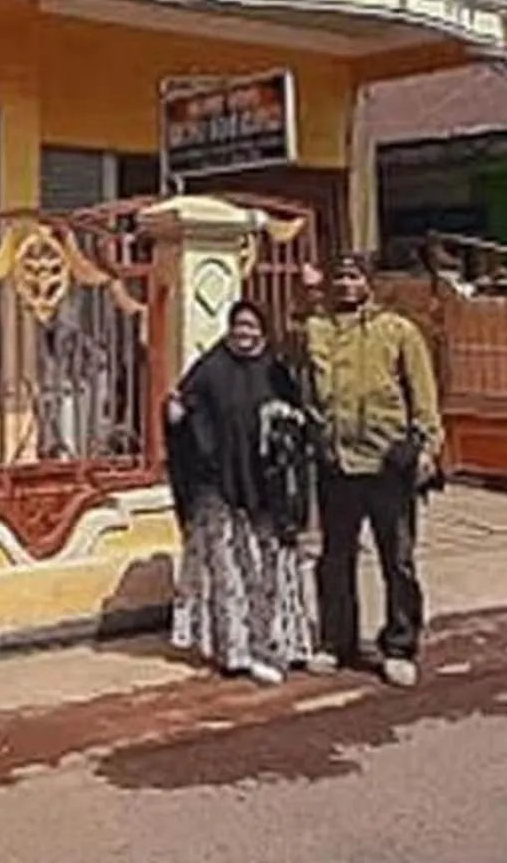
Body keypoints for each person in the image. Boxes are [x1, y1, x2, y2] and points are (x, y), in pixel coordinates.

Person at [300, 251, 443, 688]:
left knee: (397, 560)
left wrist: (428, 447)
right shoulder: (316, 329)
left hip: (387, 463)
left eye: (353, 276)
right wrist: (305, 291)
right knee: (335, 558)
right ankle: (335, 640)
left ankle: (399, 645)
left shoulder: (397, 332)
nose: (345, 284)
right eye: (339, 277)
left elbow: (424, 395)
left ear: (369, 282)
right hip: (337, 463)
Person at [165, 299, 316, 684]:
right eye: (237, 327)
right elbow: (182, 409)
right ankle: (236, 650)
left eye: (251, 327)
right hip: (223, 489)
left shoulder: (276, 371)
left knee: (271, 567)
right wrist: (176, 417)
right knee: (231, 568)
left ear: (263, 331)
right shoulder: (210, 370)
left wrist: (286, 425)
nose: (244, 334)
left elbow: (300, 421)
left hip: (269, 492)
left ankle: (279, 643)